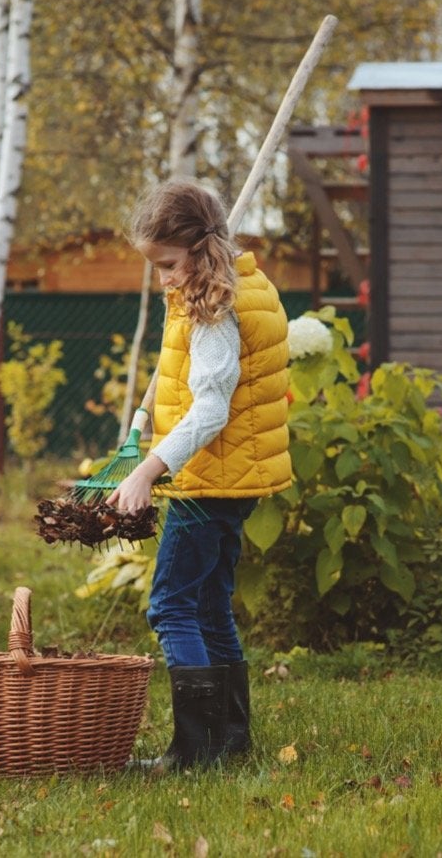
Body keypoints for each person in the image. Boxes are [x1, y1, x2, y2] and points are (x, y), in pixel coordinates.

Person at [106, 179, 291, 771]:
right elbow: (177, 371)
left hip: (207, 481)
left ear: (197, 247)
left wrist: (148, 473)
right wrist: (142, 418)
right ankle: (229, 741)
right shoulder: (236, 286)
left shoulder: (214, 309)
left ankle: (193, 752)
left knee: (171, 606)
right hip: (232, 480)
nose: (161, 277)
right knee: (210, 604)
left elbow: (211, 408)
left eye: (166, 263)